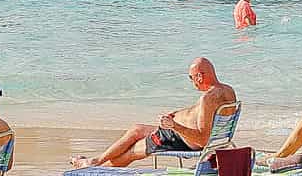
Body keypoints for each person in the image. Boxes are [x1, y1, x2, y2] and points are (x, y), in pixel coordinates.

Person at [68, 58, 237, 169]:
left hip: (179, 138)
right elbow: (203, 118)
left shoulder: (207, 98)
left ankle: (95, 167)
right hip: (180, 134)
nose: (192, 82)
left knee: (132, 152)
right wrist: (178, 114)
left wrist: (174, 125)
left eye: (191, 78)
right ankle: (95, 162)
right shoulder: (227, 91)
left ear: (200, 76)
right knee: (136, 130)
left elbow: (202, 139)